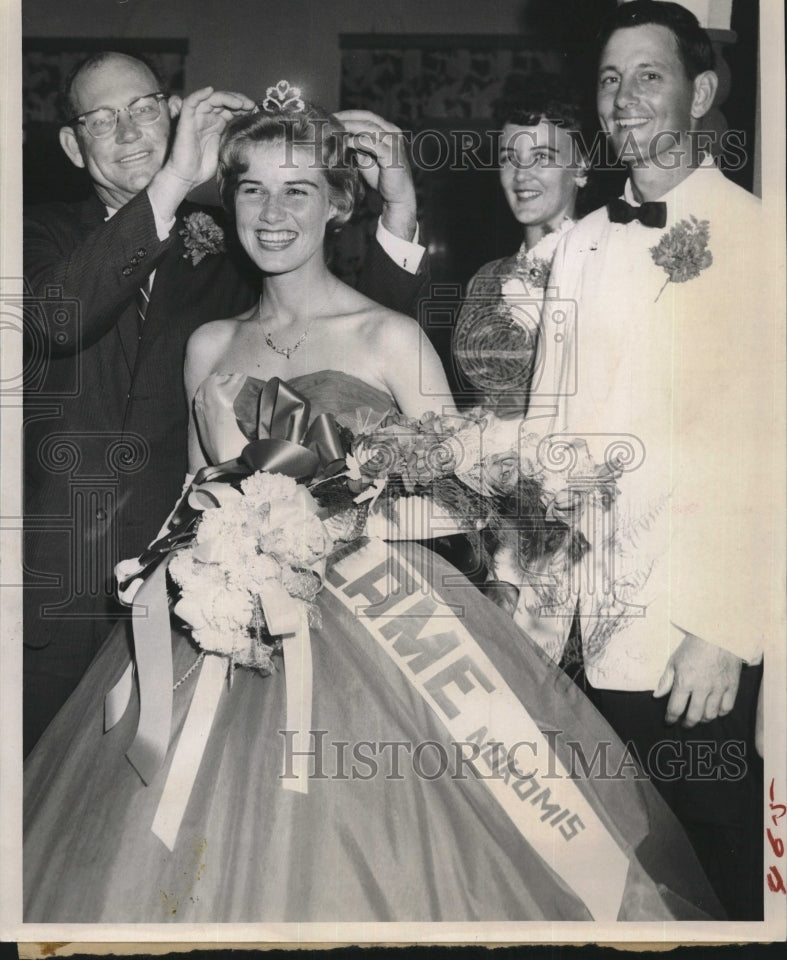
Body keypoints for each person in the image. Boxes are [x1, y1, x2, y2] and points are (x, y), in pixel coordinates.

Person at [23, 92, 722, 924]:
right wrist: (221, 548)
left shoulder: (385, 335)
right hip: (228, 629)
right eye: (251, 190)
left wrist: (332, 526)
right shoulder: (208, 344)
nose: (272, 214)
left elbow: (465, 498)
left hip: (384, 636)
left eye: (299, 190)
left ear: (336, 204)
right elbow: (194, 497)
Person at [22, 51, 428, 755]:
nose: (128, 132)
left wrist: (398, 206)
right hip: (48, 585)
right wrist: (178, 176)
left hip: (186, 592)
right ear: (70, 143)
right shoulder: (32, 230)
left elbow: (354, 354)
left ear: (174, 112)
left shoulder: (228, 236)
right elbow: (61, 318)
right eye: (102, 119)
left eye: (144, 108)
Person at [533, 0, 772, 920]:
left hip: (689, 640)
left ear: (699, 91)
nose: (623, 97)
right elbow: (553, 433)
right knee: (620, 879)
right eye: (607, 78)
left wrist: (720, 627)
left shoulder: (753, 234)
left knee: (722, 865)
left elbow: (761, 449)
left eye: (647, 75)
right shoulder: (579, 245)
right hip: (584, 630)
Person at [452, 76, 589, 418]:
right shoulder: (484, 280)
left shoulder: (603, 267)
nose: (521, 174)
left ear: (581, 167)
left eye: (542, 157)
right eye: (510, 157)